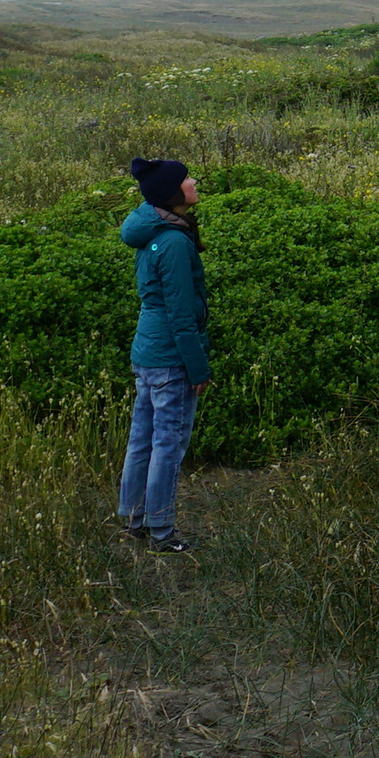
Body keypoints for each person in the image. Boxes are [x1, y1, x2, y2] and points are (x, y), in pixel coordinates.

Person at [116, 157, 211, 553]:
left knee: (142, 438)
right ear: (173, 193)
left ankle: (135, 518)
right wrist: (198, 367)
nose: (193, 181)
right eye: (186, 178)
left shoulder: (153, 229)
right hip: (169, 357)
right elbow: (180, 314)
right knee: (167, 443)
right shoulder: (172, 242)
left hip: (148, 351)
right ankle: (161, 530)